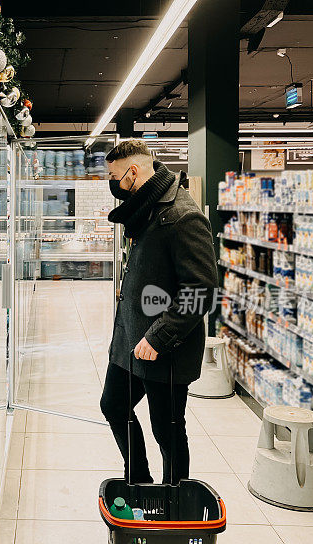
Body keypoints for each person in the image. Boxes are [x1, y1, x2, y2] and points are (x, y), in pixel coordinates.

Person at [99, 139, 218, 485]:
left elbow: (201, 290)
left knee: (167, 430)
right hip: (130, 341)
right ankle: (139, 477)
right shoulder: (145, 208)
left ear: (134, 173)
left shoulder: (182, 216)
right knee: (114, 405)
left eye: (115, 176)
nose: (113, 184)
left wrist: (159, 336)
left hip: (164, 348)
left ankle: (174, 495)